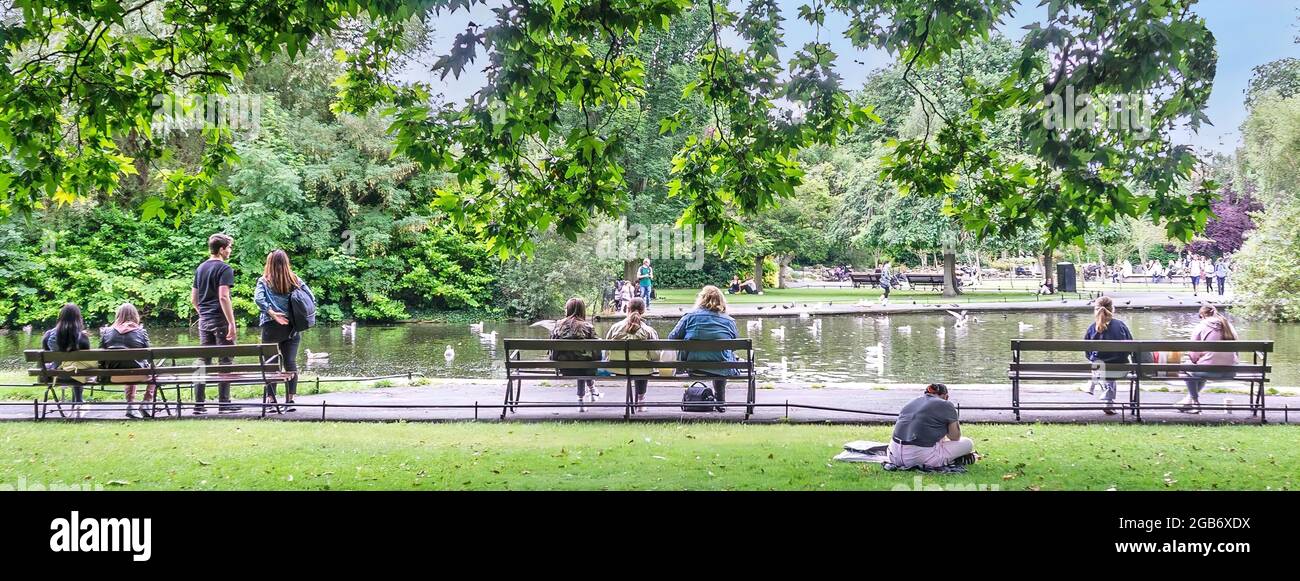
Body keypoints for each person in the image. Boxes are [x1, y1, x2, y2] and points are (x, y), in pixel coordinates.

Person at [254, 250, 315, 413]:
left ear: (269, 263)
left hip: (270, 326)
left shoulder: (264, 281)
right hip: (292, 327)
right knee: (290, 362)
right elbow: (311, 299)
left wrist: (272, 313)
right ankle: (290, 400)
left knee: (272, 364)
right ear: (286, 262)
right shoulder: (294, 279)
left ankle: (271, 400)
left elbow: (258, 299)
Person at [667, 285, 739, 412]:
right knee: (723, 359)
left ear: (701, 299)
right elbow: (733, 344)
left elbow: (672, 338)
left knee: (717, 358)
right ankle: (720, 400)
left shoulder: (689, 317)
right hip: (720, 367)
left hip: (693, 366)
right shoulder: (729, 321)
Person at [191, 232, 241, 414]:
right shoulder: (224, 269)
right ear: (221, 249)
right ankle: (224, 403)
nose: (230, 251)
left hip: (204, 321)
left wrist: (204, 314)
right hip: (220, 321)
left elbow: (194, 299)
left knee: (203, 360)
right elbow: (223, 296)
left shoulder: (200, 268)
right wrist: (231, 324)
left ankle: (199, 405)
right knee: (225, 361)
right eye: (229, 247)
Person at [886, 384, 977, 469]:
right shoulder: (946, 404)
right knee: (968, 443)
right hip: (918, 458)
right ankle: (953, 460)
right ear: (946, 397)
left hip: (893, 456)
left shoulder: (913, 401)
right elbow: (955, 437)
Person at [1179, 305, 1240, 414]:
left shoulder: (1201, 326)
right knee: (1200, 369)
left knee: (1185, 369)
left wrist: (1198, 358)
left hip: (1208, 371)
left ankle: (1196, 404)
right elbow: (1236, 352)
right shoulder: (1229, 326)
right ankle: (1188, 401)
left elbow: (1193, 354)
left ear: (1202, 315)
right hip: (1230, 372)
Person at [99, 303, 155, 419]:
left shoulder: (106, 332)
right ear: (135, 316)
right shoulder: (141, 332)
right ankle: (146, 403)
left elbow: (100, 356)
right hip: (137, 375)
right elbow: (150, 356)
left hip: (111, 376)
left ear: (118, 315)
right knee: (148, 370)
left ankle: (131, 405)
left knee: (130, 366)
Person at [604, 297, 660, 412]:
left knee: (639, 366)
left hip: (618, 368)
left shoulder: (615, 328)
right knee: (643, 366)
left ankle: (637, 401)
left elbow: (606, 349)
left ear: (627, 309)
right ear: (643, 311)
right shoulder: (649, 330)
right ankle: (641, 401)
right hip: (642, 369)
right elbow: (656, 356)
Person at [1083, 296, 1133, 415]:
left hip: (1099, 369)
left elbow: (1086, 350)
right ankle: (1108, 403)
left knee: (1098, 363)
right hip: (1120, 369)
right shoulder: (1121, 326)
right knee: (1110, 366)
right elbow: (1131, 347)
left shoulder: (1092, 328)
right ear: (1112, 309)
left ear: (1096, 310)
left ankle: (1093, 381)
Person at [549, 297, 600, 412]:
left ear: (567, 309)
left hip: (563, 367)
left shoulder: (558, 325)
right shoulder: (588, 327)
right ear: (583, 310)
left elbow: (551, 347)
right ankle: (586, 395)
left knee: (580, 362)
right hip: (585, 368)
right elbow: (598, 347)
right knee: (584, 362)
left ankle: (586, 396)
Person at [42, 303, 93, 418]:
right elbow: (87, 360)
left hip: (55, 375)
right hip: (78, 375)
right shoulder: (83, 337)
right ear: (78, 318)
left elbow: (45, 361)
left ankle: (78, 402)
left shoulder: (48, 335)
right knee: (78, 368)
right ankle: (79, 401)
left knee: (69, 367)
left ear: (60, 317)